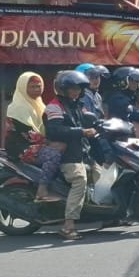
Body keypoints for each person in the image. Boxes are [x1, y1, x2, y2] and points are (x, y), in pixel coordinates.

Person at [44, 69, 99, 241]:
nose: (76, 91)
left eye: (78, 88)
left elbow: (90, 119)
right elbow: (55, 130)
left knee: (100, 173)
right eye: (72, 88)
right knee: (79, 180)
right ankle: (68, 225)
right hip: (66, 155)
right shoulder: (54, 106)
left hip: (82, 152)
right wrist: (82, 131)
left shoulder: (77, 105)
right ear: (64, 89)